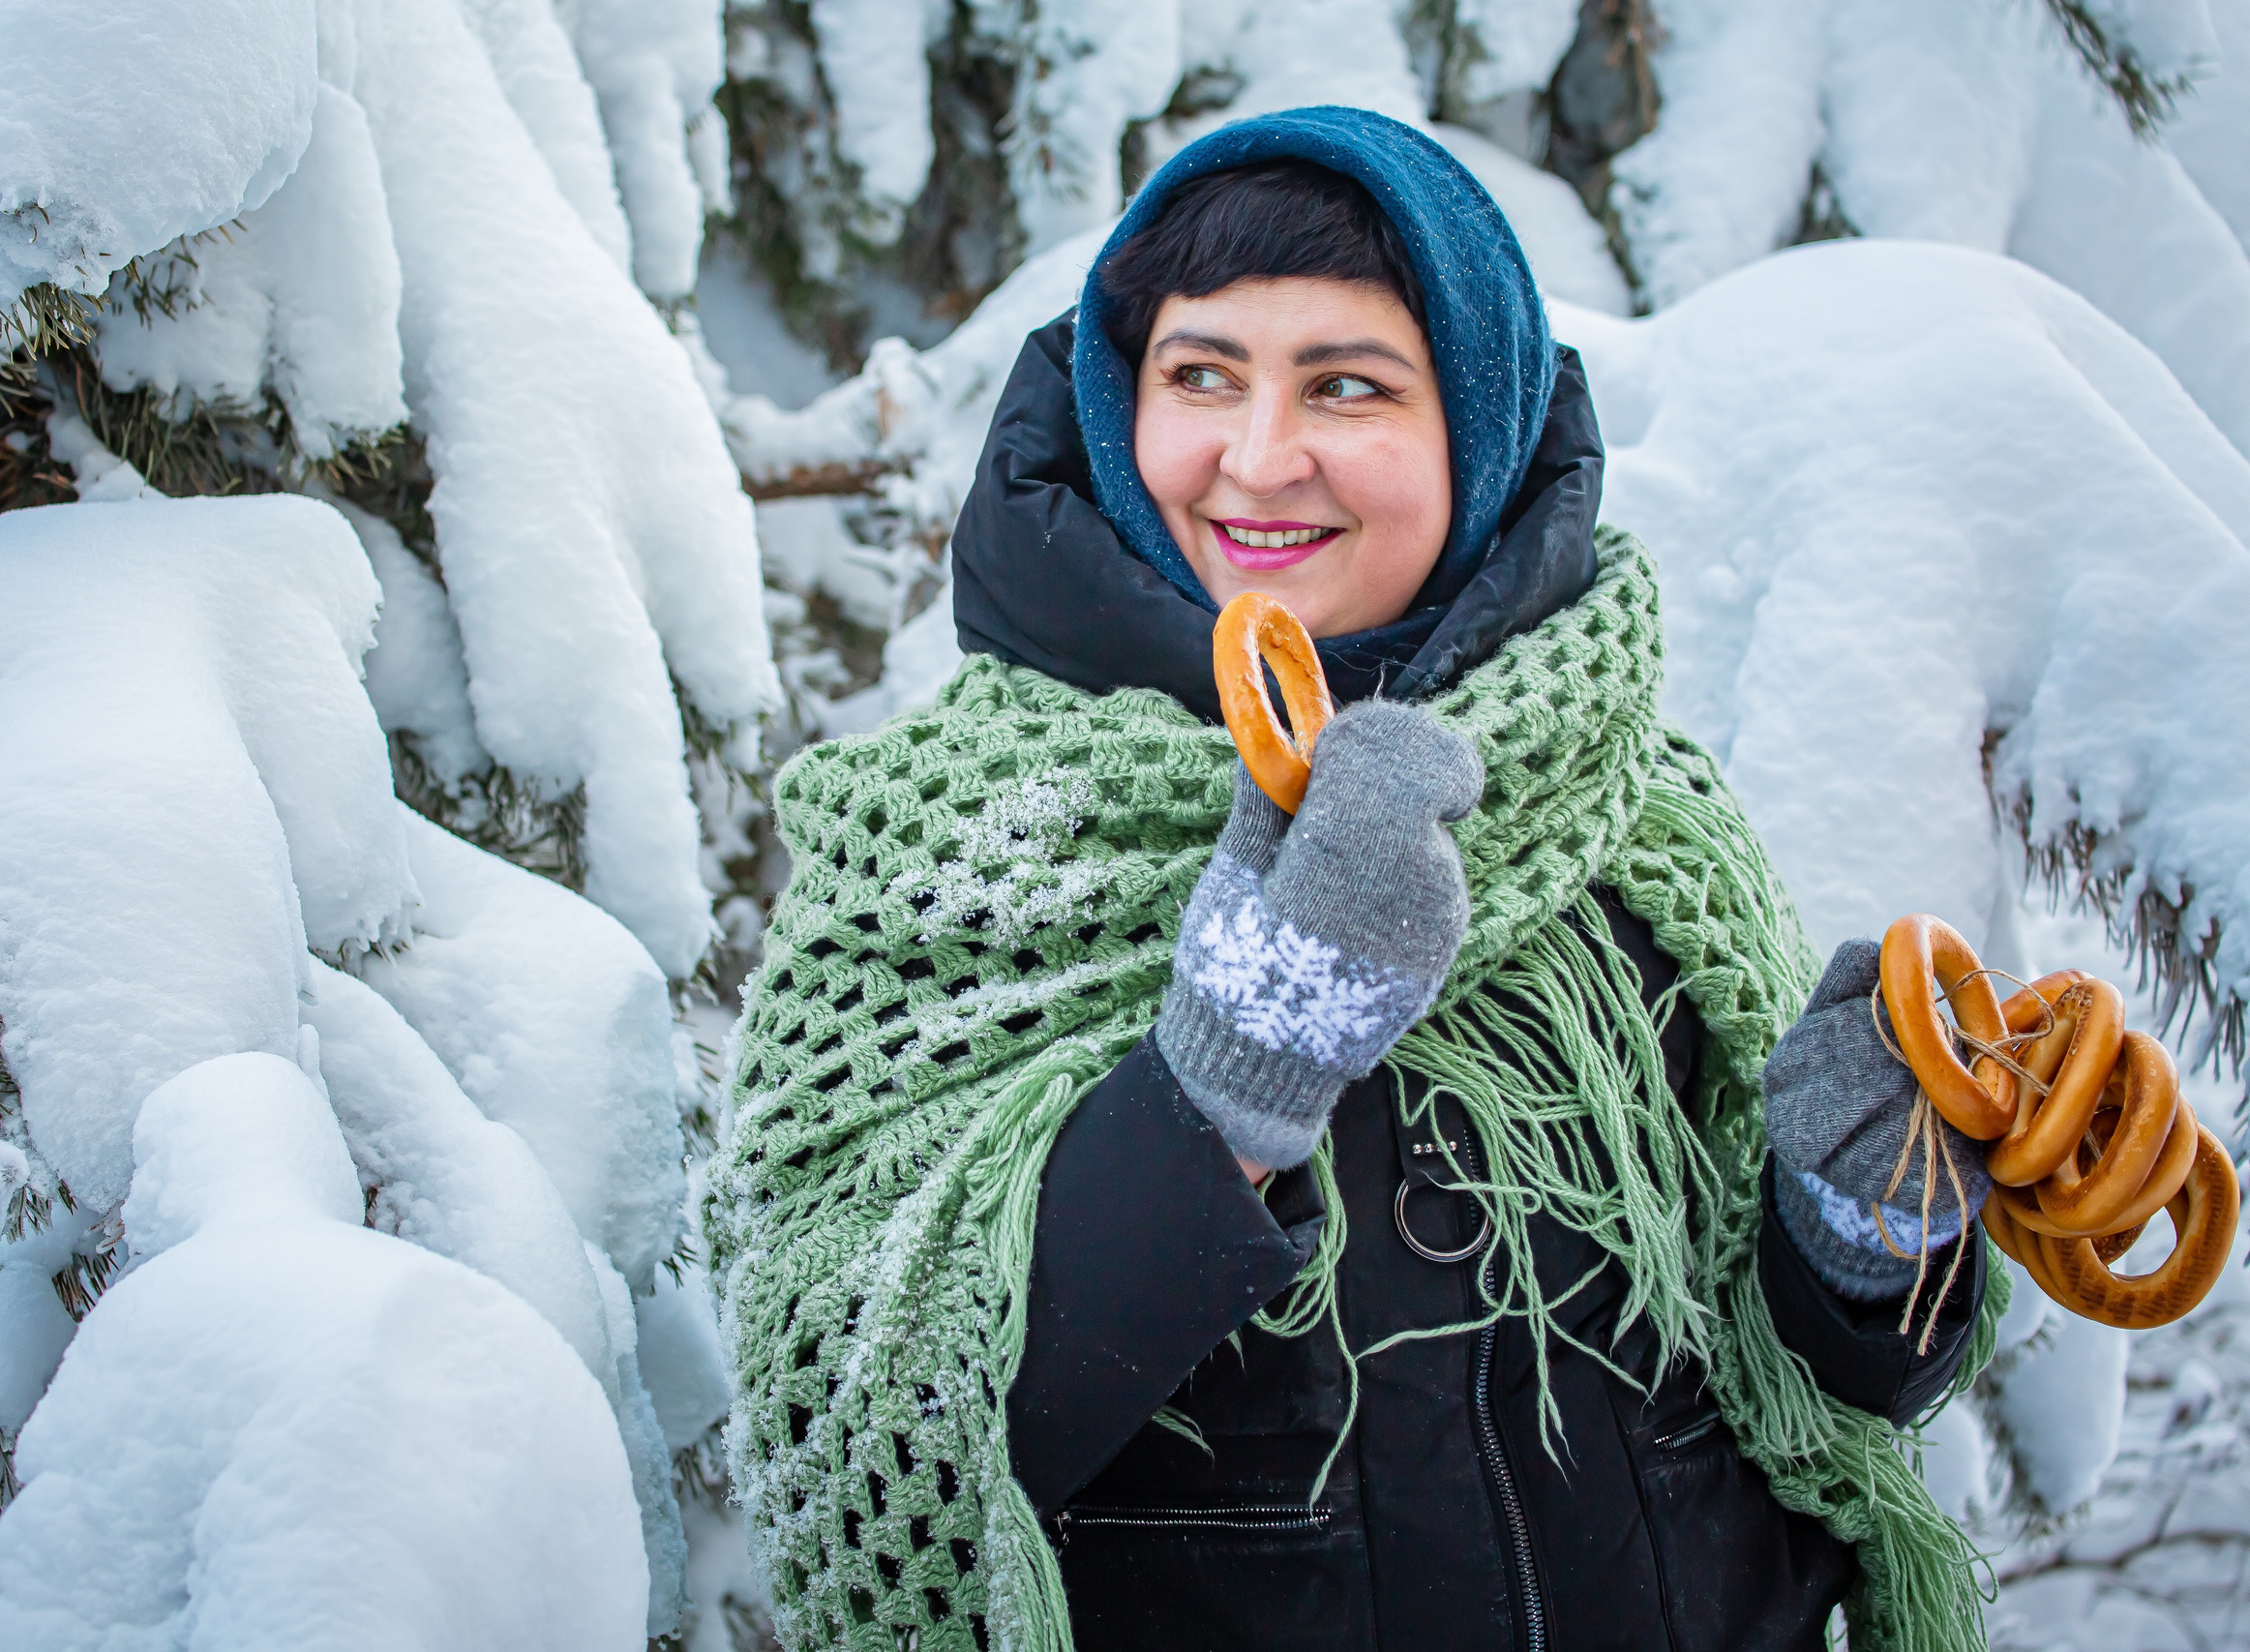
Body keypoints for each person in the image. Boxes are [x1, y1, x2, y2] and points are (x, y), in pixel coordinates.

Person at [707, 106, 2002, 1652]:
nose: (1258, 459)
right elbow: (860, 1441)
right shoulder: (957, 855)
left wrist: (1860, 1235)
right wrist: (1228, 1080)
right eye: (1201, 375)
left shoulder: (1633, 820)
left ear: (1482, 423)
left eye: (1348, 386)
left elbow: (1812, 1405)